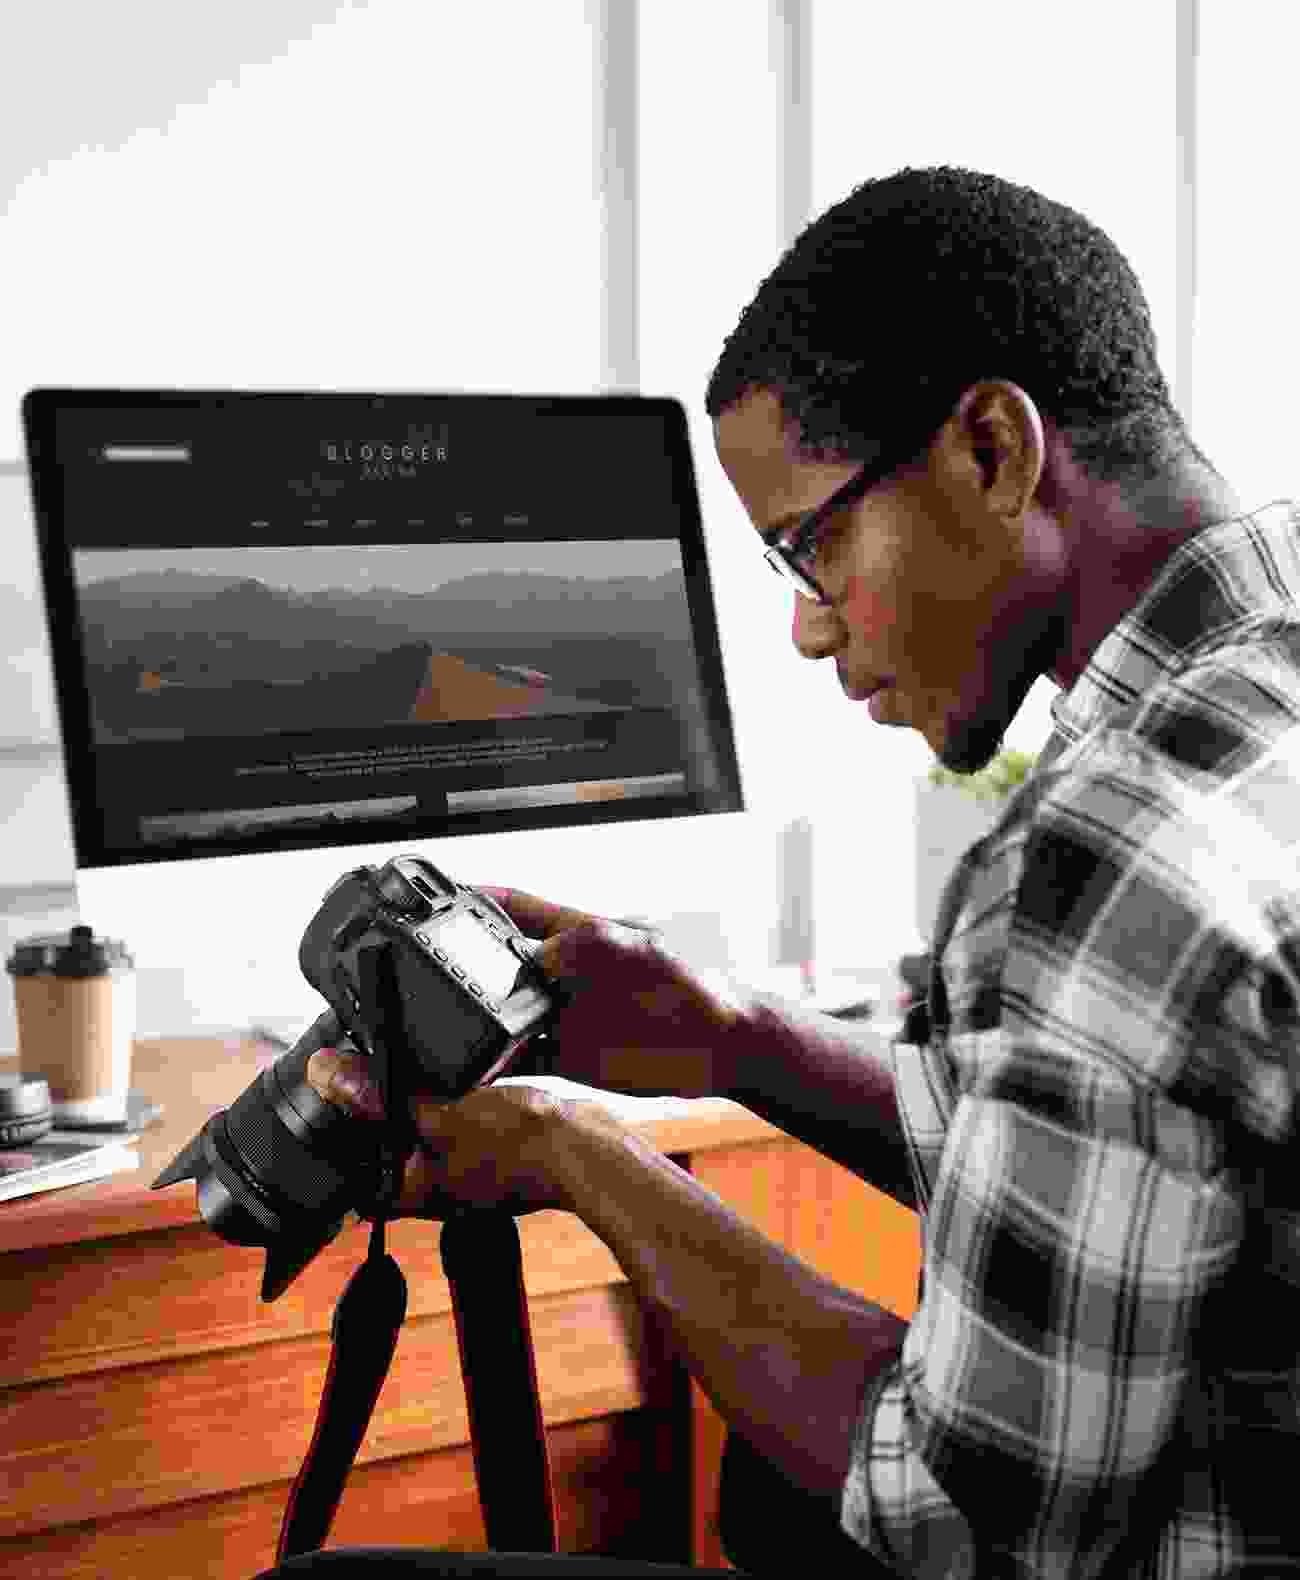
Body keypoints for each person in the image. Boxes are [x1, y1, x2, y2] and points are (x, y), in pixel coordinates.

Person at [267, 166, 1300, 1575]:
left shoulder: (1103, 851)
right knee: (763, 1497)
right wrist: (732, 1041)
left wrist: (578, 1154)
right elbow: (1105, 1161)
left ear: (992, 449)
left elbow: (950, 1522)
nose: (812, 630)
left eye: (810, 549)